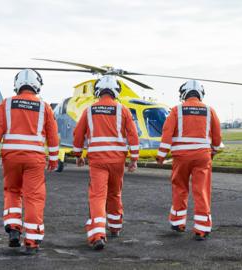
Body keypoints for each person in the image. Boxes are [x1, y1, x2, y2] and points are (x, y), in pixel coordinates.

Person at [0, 69, 59, 255]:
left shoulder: (6, 104)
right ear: (37, 85)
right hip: (35, 158)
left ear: (17, 85)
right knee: (33, 197)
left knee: (12, 191)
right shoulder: (45, 107)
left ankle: (14, 228)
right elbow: (52, 135)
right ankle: (32, 241)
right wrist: (54, 159)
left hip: (11, 157)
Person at [73, 75, 140, 250]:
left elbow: (78, 134)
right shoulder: (123, 110)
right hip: (117, 160)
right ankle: (115, 226)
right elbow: (133, 135)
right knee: (115, 192)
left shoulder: (89, 110)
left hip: (97, 161)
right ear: (116, 91)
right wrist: (134, 159)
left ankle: (97, 235)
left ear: (98, 91)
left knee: (97, 195)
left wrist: (78, 154)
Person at [156, 80, 222, 241]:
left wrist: (161, 155)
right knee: (201, 190)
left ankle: (178, 223)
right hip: (202, 157)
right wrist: (212, 152)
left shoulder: (176, 110)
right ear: (200, 94)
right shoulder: (209, 110)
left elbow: (167, 134)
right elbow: (217, 137)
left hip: (181, 158)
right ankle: (202, 228)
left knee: (180, 188)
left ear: (184, 94)